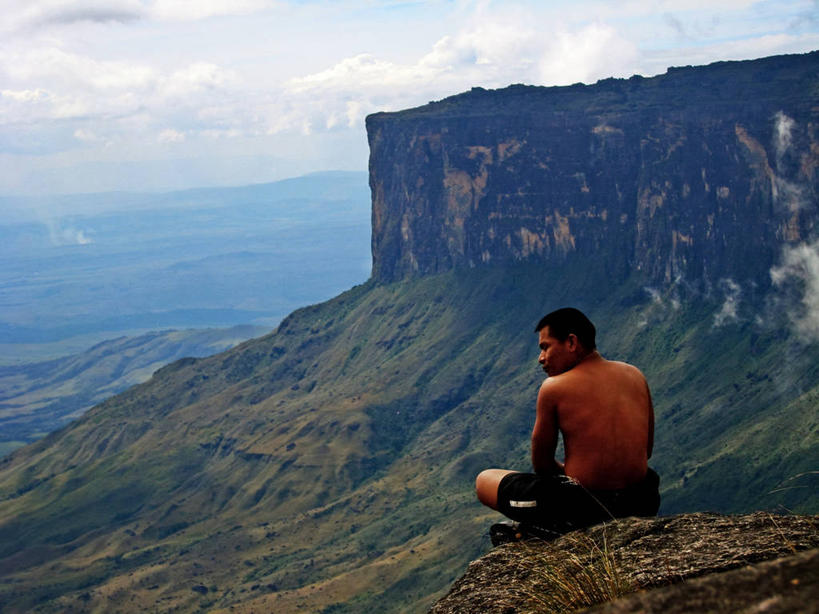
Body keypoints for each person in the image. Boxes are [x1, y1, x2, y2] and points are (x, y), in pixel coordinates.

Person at [475, 307, 660, 544]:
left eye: (545, 347)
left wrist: (572, 474)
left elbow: (542, 465)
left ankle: (544, 531)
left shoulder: (554, 388)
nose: (541, 358)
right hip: (642, 500)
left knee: (484, 481)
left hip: (582, 508)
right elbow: (647, 450)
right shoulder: (635, 374)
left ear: (571, 342)